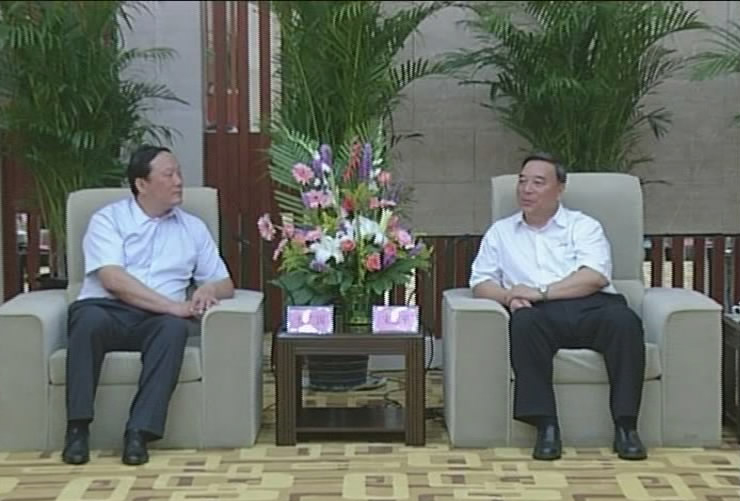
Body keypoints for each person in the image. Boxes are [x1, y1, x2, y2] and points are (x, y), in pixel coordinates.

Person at [62, 145, 235, 466]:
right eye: (169, 175)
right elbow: (112, 279)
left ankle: (139, 433)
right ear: (141, 184)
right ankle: (77, 429)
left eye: (179, 173)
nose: (179, 181)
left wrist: (208, 288)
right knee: (86, 322)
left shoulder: (192, 228)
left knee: (173, 331)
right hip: (106, 309)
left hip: (156, 321)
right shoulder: (108, 220)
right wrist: (173, 306)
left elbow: (226, 284)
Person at [469, 152, 647, 461]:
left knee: (625, 322)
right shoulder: (501, 232)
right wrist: (509, 296)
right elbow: (480, 282)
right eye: (522, 182)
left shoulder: (584, 226)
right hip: (538, 315)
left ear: (559, 189)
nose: (527, 189)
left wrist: (541, 292)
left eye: (538, 183)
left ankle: (626, 427)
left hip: (592, 307)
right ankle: (546, 427)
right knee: (523, 322)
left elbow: (594, 276)